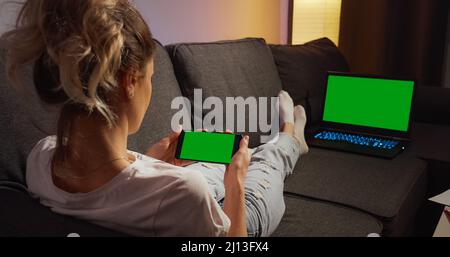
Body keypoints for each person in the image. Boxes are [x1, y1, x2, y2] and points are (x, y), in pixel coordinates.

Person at [1, 0, 309, 237]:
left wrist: (153, 163)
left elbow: (118, 197)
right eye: (151, 76)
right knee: (264, 165)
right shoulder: (182, 194)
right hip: (227, 216)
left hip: (178, 203)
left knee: (220, 161)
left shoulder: (41, 158)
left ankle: (265, 148)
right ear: (129, 81)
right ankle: (290, 134)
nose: (151, 87)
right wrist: (236, 185)